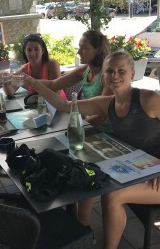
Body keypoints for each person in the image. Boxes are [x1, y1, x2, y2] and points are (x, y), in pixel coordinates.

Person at [25, 51, 160, 248]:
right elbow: (64, 105)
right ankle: (87, 231)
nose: (115, 76)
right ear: (104, 75)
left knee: (113, 194)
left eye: (121, 71)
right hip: (139, 169)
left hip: (156, 175)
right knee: (97, 180)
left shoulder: (150, 99)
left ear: (132, 73)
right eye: (109, 71)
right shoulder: (108, 103)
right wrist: (34, 82)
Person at [32, 30, 113, 132]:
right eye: (79, 47)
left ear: (98, 50)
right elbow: (53, 84)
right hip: (88, 128)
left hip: (107, 135)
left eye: (84, 48)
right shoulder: (84, 70)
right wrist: (28, 81)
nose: (79, 52)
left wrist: (76, 127)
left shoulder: (107, 76)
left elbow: (102, 117)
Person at [3, 33, 67, 100]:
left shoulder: (52, 64)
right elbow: (10, 92)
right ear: (25, 52)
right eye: (29, 50)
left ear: (42, 51)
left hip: (58, 106)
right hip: (37, 106)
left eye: (36, 49)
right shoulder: (24, 69)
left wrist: (31, 81)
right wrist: (5, 80)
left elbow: (57, 91)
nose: (32, 53)